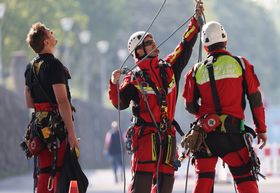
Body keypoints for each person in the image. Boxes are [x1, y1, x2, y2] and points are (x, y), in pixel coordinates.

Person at [108, 2, 204, 193]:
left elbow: (184, 46)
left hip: (167, 136)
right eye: (150, 42)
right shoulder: (133, 79)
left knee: (165, 186)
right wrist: (113, 84)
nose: (155, 44)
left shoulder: (168, 68)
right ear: (140, 51)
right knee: (141, 187)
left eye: (153, 40)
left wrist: (196, 19)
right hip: (145, 138)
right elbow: (120, 104)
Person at [181, 21, 267, 193]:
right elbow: (255, 100)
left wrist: (206, 118)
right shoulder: (241, 64)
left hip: (204, 135)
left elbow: (189, 106)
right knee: (245, 179)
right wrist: (261, 129)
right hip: (233, 135)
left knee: (203, 181)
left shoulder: (196, 70)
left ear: (205, 47)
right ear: (225, 40)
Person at [25, 22, 79, 193]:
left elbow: (28, 102)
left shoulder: (30, 67)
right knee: (58, 170)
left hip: (38, 127)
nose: (53, 32)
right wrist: (71, 133)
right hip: (56, 128)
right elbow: (62, 101)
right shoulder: (54, 65)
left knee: (44, 169)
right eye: (50, 32)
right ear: (46, 42)